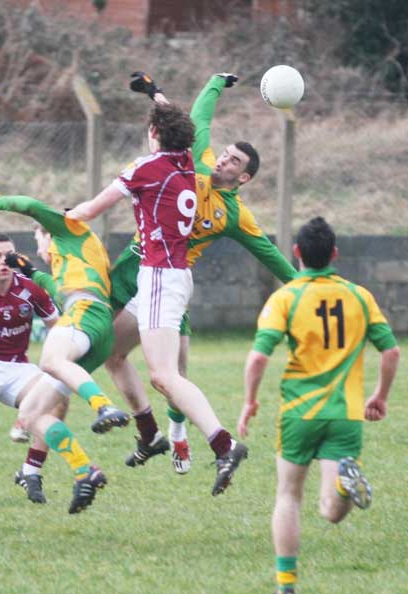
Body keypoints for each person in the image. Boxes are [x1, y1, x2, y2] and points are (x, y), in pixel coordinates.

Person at [105, 71, 297, 474]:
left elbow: (271, 256)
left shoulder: (234, 215)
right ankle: (158, 435)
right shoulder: (198, 160)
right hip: (135, 265)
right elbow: (196, 120)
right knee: (109, 351)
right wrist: (212, 83)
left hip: (169, 281)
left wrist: (307, 286)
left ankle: (177, 437)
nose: (223, 159)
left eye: (234, 161)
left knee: (174, 371)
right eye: (225, 153)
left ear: (242, 178)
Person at [67, 101, 248, 496]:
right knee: (112, 351)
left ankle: (225, 444)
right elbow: (190, 123)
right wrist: (157, 97)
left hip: (159, 277)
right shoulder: (186, 161)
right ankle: (150, 434)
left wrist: (56, 217)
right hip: (175, 276)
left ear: (153, 133)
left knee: (165, 376)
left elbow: (89, 210)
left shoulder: (144, 168)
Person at [237, 217, 400, 594]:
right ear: (335, 254)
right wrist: (380, 396)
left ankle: (286, 585)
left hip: (300, 412)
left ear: (296, 253)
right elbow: (391, 351)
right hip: (345, 414)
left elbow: (259, 358)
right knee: (330, 511)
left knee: (288, 495)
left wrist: (249, 401)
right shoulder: (359, 296)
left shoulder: (287, 297)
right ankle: (344, 486)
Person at [0, 193, 130, 513]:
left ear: (48, 232)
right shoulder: (72, 260)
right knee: (31, 414)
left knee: (49, 359)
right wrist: (29, 271)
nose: (38, 249)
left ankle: (103, 406)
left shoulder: (67, 228)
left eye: (37, 240)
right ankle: (85, 471)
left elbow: (31, 207)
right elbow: (52, 284)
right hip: (97, 330)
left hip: (86, 312)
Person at [0, 232, 65, 505]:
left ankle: (31, 472)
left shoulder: (30, 289)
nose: (3, 261)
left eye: (9, 255)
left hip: (19, 368)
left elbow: (60, 329)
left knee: (57, 398)